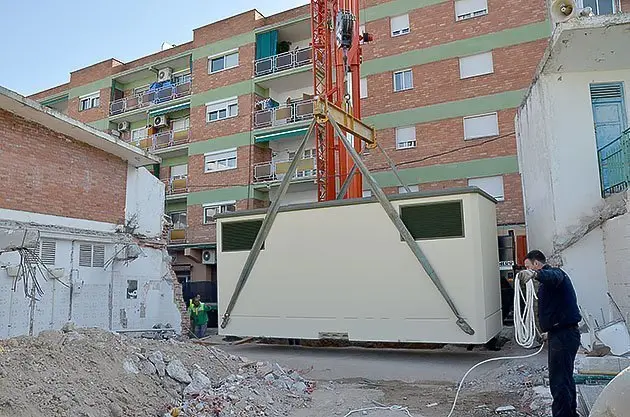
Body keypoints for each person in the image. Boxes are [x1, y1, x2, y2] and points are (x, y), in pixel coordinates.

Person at [517, 250, 582, 417]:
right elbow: (555, 306)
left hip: (564, 335)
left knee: (559, 381)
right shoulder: (549, 286)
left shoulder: (555, 274)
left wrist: (534, 274)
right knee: (565, 378)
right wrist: (549, 330)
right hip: (560, 333)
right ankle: (570, 414)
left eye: (528, 266)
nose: (527, 270)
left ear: (537, 264)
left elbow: (553, 276)